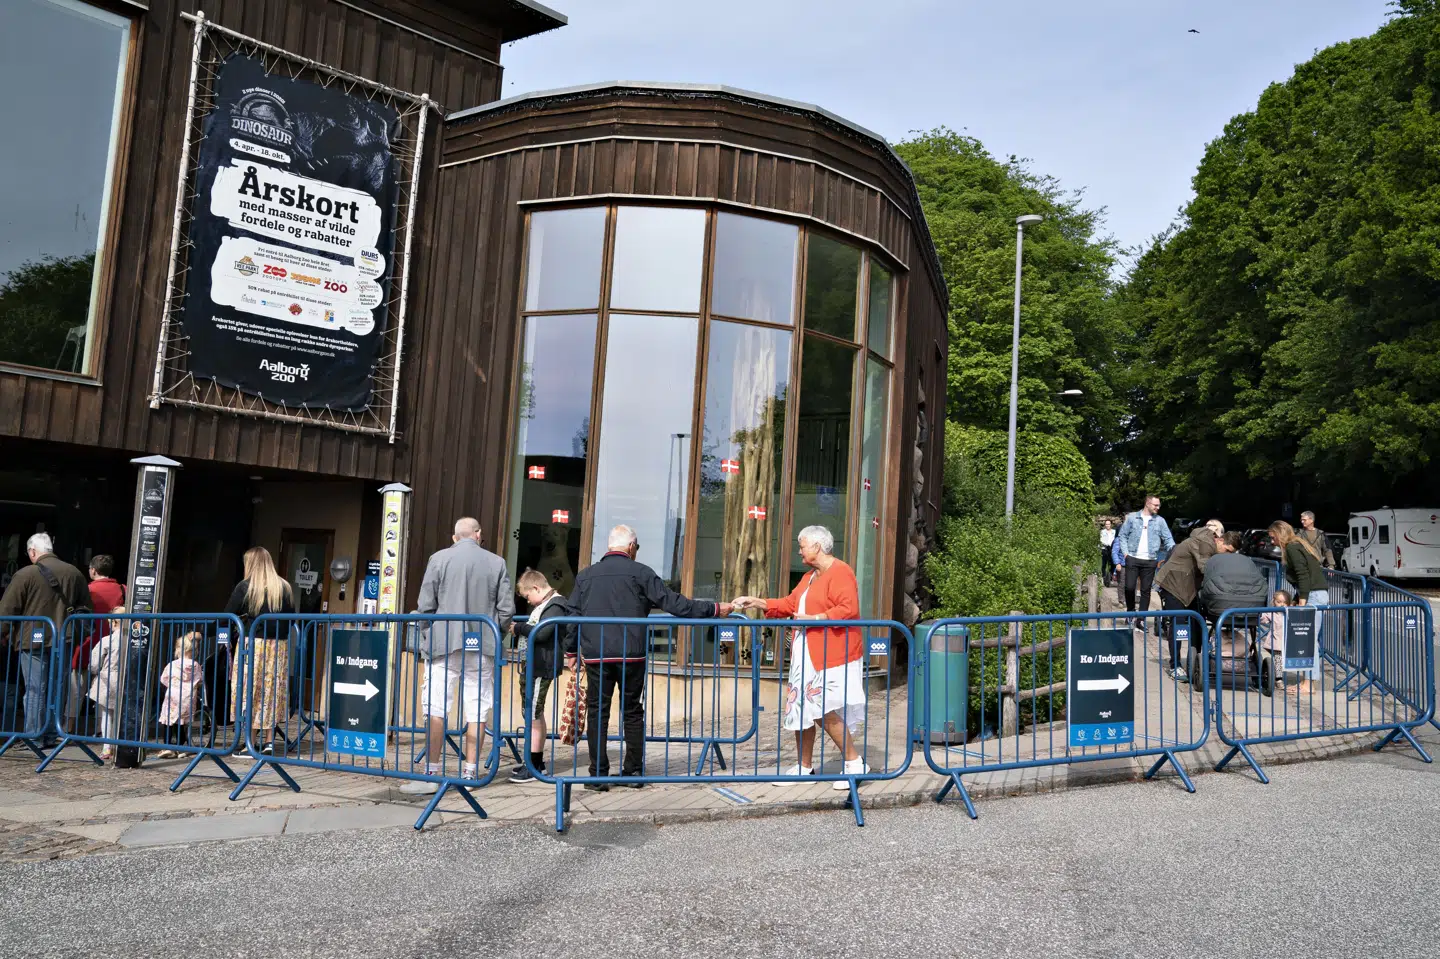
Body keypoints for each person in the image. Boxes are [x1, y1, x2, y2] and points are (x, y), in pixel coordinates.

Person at [567, 525, 728, 791]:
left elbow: (572, 615)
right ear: (631, 547)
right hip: (632, 654)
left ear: (610, 547)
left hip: (596, 654)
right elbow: (675, 604)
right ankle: (633, 772)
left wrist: (571, 651)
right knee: (632, 711)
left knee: (597, 712)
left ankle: (597, 774)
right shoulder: (640, 572)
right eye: (637, 548)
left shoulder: (586, 576)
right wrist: (714, 608)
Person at [733, 525, 869, 790]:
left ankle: (855, 762)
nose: (799, 550)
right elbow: (789, 604)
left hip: (831, 652)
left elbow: (848, 608)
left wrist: (815, 618)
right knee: (800, 707)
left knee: (819, 708)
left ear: (817, 547)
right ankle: (804, 766)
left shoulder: (841, 571)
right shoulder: (810, 577)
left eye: (802, 545)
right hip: (807, 652)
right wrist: (758, 602)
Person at [402, 517, 514, 796]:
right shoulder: (497, 562)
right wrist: (494, 632)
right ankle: (470, 771)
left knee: (436, 707)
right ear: (479, 534)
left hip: (444, 642)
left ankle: (432, 773)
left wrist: (430, 632)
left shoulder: (438, 559)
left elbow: (426, 605)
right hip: (482, 643)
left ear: (455, 537)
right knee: (477, 708)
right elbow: (506, 610)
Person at [0, 533, 90, 747]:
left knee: (34, 689)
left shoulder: (25, 574)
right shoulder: (74, 573)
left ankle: (34, 735)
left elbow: (8, 608)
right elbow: (87, 609)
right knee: (57, 687)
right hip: (65, 638)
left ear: (33, 552)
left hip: (33, 639)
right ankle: (51, 733)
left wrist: (3, 632)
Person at [225, 547, 296, 756]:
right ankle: (269, 742)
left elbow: (228, 614)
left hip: (252, 645)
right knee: (271, 692)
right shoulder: (284, 587)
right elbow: (291, 618)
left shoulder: (246, 586)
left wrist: (206, 630)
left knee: (249, 690)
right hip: (279, 648)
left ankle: (250, 741)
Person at [507, 568, 573, 784]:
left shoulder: (556, 605)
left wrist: (518, 628)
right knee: (534, 713)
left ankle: (534, 765)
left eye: (528, 597)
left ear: (536, 588)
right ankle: (535, 762)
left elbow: (543, 632)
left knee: (533, 714)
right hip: (535, 665)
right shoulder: (550, 605)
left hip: (541, 665)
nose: (530, 602)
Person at [1153, 520, 1223, 681]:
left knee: (1198, 623)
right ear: (1215, 536)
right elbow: (1204, 566)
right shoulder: (1201, 542)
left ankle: (1196, 662)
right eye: (1219, 538)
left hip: (1188, 588)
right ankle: (1175, 665)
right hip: (1173, 586)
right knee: (1178, 624)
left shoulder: (1204, 542)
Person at [66, 555, 125, 734]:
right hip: (114, 647)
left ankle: (68, 728)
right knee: (105, 691)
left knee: (76, 689)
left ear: (93, 570)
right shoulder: (123, 589)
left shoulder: (86, 590)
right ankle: (102, 729)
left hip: (85, 644)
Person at [1270, 520, 1328, 686]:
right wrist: (1297, 599)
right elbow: (1305, 577)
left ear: (1280, 535)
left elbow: (1303, 577)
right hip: (1315, 594)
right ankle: (1306, 681)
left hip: (1313, 596)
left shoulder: (1292, 548)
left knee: (1309, 640)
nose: (1271, 542)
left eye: (1273, 538)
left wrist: (1301, 603)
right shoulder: (1297, 545)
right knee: (1308, 639)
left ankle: (1308, 684)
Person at [1116, 496, 1176, 628]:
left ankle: (1141, 619)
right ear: (1147, 504)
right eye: (1156, 505)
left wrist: (1174, 552)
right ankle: (1130, 613)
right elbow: (1123, 536)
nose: (1158, 508)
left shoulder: (1160, 521)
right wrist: (1126, 554)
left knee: (1146, 590)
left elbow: (1168, 539)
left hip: (1150, 560)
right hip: (1133, 557)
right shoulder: (1132, 518)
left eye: (1159, 505)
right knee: (1129, 587)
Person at [87, 606, 127, 761]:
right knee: (123, 715)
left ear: (113, 622)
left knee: (106, 715)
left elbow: (94, 664)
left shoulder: (106, 640)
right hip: (126, 679)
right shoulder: (132, 641)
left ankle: (107, 746)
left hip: (107, 679)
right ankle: (122, 744)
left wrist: (95, 671)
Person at [155, 631, 204, 758]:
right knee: (182, 722)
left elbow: (163, 678)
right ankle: (180, 746)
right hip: (188, 697)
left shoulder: (173, 664)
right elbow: (199, 680)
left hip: (173, 695)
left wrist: (172, 685)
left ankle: (167, 746)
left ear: (178, 649)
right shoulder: (195, 665)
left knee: (168, 721)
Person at [1255, 591, 1308, 698]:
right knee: (1278, 659)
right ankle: (1278, 679)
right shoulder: (1272, 612)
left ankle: (1273, 674)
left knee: (1281, 661)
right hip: (1276, 642)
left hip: (1287, 643)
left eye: (1285, 602)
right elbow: (1264, 619)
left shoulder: (1289, 612)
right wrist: (1260, 615)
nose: (1282, 604)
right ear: (1274, 602)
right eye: (1279, 602)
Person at [1099, 520, 1117, 586]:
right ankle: (1103, 577)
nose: (1107, 525)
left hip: (1112, 549)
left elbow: (1115, 539)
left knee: (1112, 564)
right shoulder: (1102, 532)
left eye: (1108, 524)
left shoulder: (1114, 532)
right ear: (1105, 525)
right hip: (1105, 548)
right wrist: (1107, 544)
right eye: (1106, 524)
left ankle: (1111, 577)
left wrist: (1112, 545)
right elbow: (1101, 540)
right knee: (1104, 563)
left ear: (1111, 525)